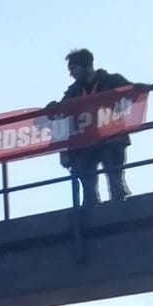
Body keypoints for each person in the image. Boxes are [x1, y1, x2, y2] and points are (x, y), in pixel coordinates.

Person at [55, 48, 137, 205]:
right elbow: (62, 115)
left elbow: (132, 94)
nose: (71, 73)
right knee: (88, 186)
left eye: (73, 68)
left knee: (115, 183)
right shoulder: (73, 92)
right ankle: (92, 208)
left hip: (112, 140)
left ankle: (119, 206)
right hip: (88, 144)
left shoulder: (112, 81)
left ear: (86, 66)